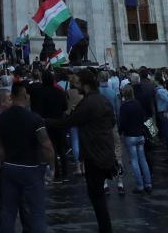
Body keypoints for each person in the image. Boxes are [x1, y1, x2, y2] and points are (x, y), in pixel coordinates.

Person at [55, 69, 117, 233]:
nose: (76, 86)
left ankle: (105, 229)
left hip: (94, 155)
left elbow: (69, 121)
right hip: (104, 151)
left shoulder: (88, 103)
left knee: (97, 197)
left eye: (78, 83)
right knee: (98, 197)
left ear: (86, 84)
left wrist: (43, 121)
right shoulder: (102, 99)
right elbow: (111, 121)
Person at [0, 82, 52, 233]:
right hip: (31, 168)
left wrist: (5, 159)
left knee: (8, 212)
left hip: (10, 167)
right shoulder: (35, 119)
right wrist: (49, 165)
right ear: (26, 96)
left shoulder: (1, 119)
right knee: (36, 212)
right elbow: (46, 146)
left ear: (12, 97)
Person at [116, 85, 152, 193]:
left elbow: (122, 122)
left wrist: (119, 132)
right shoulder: (138, 104)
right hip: (140, 134)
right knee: (143, 160)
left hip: (130, 135)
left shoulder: (124, 106)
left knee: (134, 161)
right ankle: (148, 183)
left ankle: (140, 185)